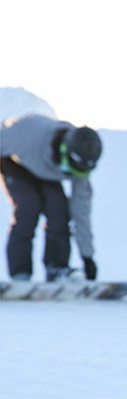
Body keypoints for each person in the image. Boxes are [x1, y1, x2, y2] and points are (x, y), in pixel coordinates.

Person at [1, 114, 102, 282]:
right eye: (72, 170)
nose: (74, 176)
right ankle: (20, 273)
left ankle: (57, 268)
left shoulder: (80, 162)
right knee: (28, 208)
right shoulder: (26, 134)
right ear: (64, 154)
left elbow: (81, 214)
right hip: (14, 162)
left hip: (47, 171)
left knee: (59, 211)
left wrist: (87, 257)